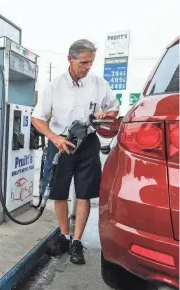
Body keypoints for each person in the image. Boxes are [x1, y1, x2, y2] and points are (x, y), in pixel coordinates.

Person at [31, 39, 120, 265]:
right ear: (70, 59)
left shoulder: (99, 85)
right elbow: (37, 118)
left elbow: (113, 107)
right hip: (60, 142)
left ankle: (76, 242)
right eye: (83, 62)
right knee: (59, 193)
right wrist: (54, 137)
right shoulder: (54, 87)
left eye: (91, 62)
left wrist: (104, 117)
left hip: (88, 143)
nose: (88, 66)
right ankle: (63, 235)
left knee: (84, 194)